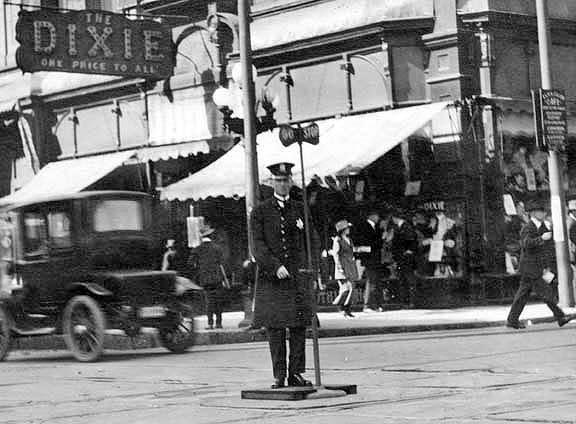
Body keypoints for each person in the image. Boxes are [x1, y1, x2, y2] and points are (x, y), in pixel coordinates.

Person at [251, 162, 318, 389]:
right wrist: (274, 266)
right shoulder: (260, 211)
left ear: (291, 182)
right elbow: (257, 246)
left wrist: (313, 269)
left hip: (298, 277)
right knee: (276, 328)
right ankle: (279, 375)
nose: (282, 184)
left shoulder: (300, 208)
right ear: (271, 183)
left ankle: (296, 373)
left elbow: (312, 241)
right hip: (273, 279)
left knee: (299, 326)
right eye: (278, 181)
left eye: (286, 180)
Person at [506, 198, 572, 329]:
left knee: (522, 296)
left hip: (536, 268)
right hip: (530, 268)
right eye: (541, 212)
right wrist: (541, 238)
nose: (544, 214)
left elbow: (546, 248)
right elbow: (526, 244)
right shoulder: (528, 227)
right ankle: (560, 317)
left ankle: (512, 320)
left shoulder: (542, 227)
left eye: (543, 211)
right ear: (533, 213)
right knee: (546, 293)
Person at [187, 223, 227, 330]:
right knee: (218, 301)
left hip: (205, 280)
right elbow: (222, 262)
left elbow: (190, 263)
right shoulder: (217, 248)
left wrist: (199, 268)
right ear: (211, 236)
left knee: (209, 301)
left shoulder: (197, 249)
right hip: (217, 278)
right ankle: (219, 323)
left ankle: (210, 324)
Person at [352, 208, 383, 312]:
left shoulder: (376, 227)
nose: (378, 218)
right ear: (371, 216)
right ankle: (368, 305)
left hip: (375, 258)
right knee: (371, 281)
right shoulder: (364, 226)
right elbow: (364, 242)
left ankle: (375, 304)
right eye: (377, 216)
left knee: (375, 281)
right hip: (369, 259)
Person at [387, 207, 419, 307]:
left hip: (405, 258)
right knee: (404, 280)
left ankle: (410, 301)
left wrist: (408, 250)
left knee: (407, 280)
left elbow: (411, 241)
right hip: (402, 258)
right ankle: (407, 301)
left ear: (395, 218)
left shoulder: (405, 227)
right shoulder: (400, 227)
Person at [329, 219, 358, 318]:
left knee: (352, 288)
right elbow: (336, 255)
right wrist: (339, 267)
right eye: (347, 228)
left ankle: (347, 309)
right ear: (343, 230)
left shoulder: (349, 240)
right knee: (346, 289)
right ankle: (340, 306)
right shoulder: (338, 240)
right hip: (343, 266)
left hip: (350, 266)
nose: (349, 229)